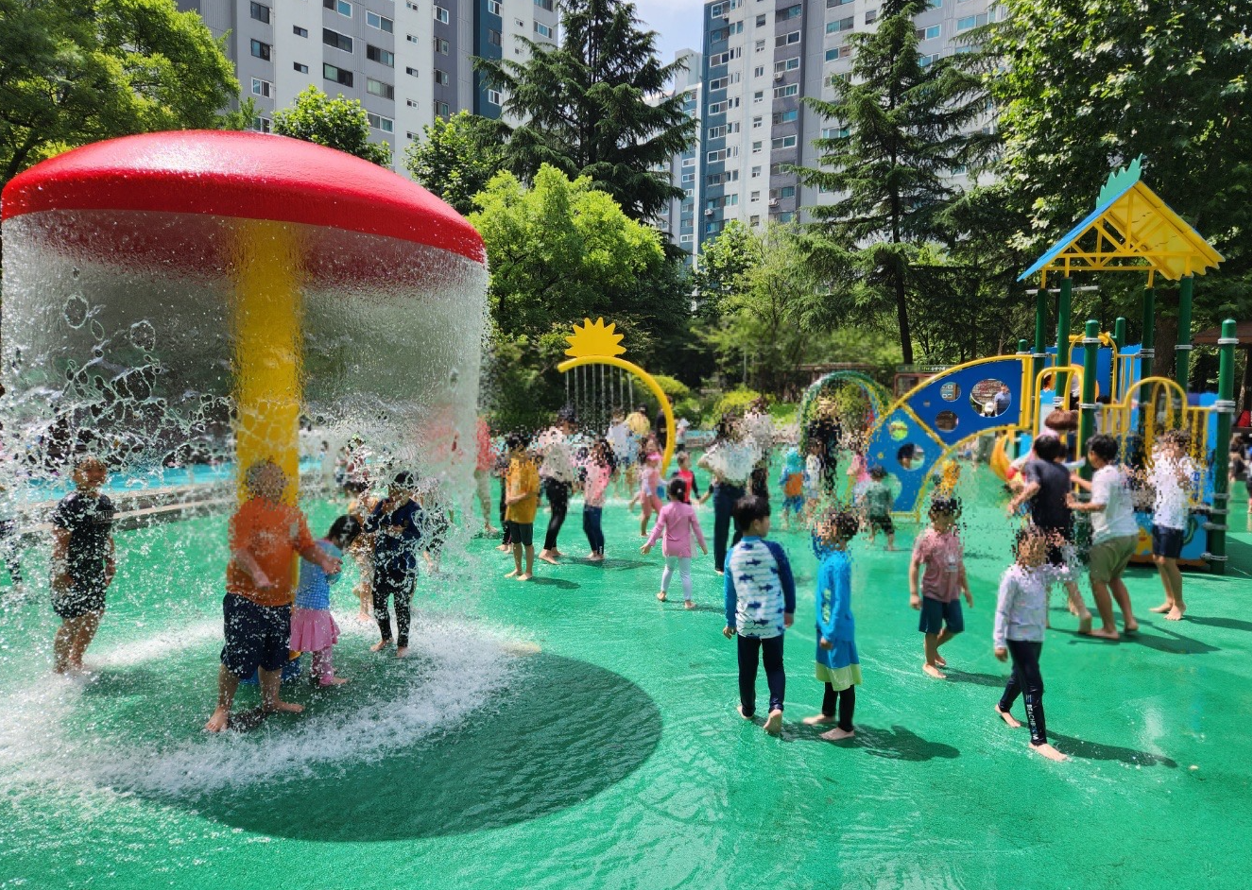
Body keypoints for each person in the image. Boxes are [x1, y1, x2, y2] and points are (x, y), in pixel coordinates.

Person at [205, 460, 341, 732]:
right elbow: (240, 551)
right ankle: (222, 709)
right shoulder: (246, 514)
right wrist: (256, 573)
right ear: (254, 484)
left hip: (280, 601)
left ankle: (272, 701)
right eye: (270, 478)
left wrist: (324, 559)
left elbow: (304, 546)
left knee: (274, 655)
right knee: (237, 655)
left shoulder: (292, 516)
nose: (278, 483)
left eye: (280, 477)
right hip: (245, 598)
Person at [722, 495, 795, 735]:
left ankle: (748, 709)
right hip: (773, 621)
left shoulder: (732, 554)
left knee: (747, 670)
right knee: (775, 666)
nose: (769, 523)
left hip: (747, 623)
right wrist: (789, 610)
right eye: (766, 519)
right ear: (756, 522)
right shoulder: (774, 549)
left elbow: (730, 594)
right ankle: (776, 707)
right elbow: (788, 582)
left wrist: (730, 621)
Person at [993, 525, 1067, 762]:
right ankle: (1038, 740)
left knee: (1019, 677)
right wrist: (999, 641)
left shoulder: (1043, 571)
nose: (1036, 550)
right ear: (1020, 547)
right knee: (1034, 687)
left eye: (1040, 546)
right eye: (1031, 545)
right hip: (1018, 638)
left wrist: (1065, 549)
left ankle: (1003, 706)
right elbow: (1002, 610)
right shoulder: (1012, 576)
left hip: (1036, 637)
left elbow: (1069, 573)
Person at [1007, 434, 1093, 633]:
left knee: (1040, 570)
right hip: (1063, 527)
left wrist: (1016, 501)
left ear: (1035, 451)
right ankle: (1073, 612)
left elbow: (1035, 486)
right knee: (1061, 569)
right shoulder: (1063, 470)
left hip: (1042, 527)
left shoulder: (1034, 466)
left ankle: (1049, 616)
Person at [1067, 434, 1140, 639]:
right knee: (1115, 578)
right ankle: (1129, 620)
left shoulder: (1101, 475)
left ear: (1093, 454)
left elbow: (1100, 503)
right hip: (1129, 534)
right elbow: (1102, 491)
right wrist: (1077, 479)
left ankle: (1109, 628)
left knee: (1097, 580)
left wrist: (1075, 506)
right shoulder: (1117, 472)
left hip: (1110, 536)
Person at [50, 456, 116, 674]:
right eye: (89, 470)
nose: (96, 475)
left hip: (93, 566)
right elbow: (60, 543)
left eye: (100, 469)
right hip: (70, 568)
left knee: (95, 611)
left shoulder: (104, 502)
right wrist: (61, 574)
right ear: (75, 475)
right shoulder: (70, 503)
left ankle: (76, 657)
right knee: (73, 618)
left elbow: (105, 534)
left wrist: (110, 561)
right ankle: (59, 668)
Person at [802, 508, 862, 741]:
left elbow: (840, 602)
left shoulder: (839, 563)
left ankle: (846, 727)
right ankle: (828, 713)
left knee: (843, 680)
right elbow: (817, 547)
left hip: (836, 632)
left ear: (836, 532)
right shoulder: (830, 554)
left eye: (825, 527)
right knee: (830, 674)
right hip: (826, 628)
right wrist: (814, 528)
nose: (820, 531)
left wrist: (830, 632)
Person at [290, 515, 360, 687]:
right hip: (317, 605)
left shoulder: (315, 544)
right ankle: (326, 678)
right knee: (325, 641)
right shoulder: (334, 551)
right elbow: (333, 578)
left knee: (318, 640)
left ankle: (316, 669)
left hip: (300, 602)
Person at [909, 495, 972, 679]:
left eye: (949, 515)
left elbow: (959, 564)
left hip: (951, 592)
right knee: (933, 628)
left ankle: (933, 646)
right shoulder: (926, 538)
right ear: (932, 515)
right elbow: (915, 564)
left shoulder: (954, 536)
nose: (947, 520)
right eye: (943, 515)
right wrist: (914, 593)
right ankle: (929, 663)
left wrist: (966, 588)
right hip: (932, 592)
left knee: (955, 626)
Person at [364, 471, 426, 657]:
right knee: (379, 605)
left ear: (411, 491)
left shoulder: (415, 511)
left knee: (402, 607)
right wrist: (381, 514)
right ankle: (386, 637)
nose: (395, 495)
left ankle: (403, 644)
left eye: (400, 491)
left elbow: (420, 540)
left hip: (404, 567)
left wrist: (400, 534)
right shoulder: (383, 504)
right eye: (392, 489)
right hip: (383, 566)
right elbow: (368, 527)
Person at [699, 414, 759, 574]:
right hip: (723, 490)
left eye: (740, 425)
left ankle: (731, 556)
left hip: (739, 490)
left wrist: (748, 485)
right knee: (722, 529)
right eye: (735, 425)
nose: (739, 428)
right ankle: (719, 565)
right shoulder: (722, 445)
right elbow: (702, 461)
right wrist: (716, 470)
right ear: (728, 428)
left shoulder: (747, 445)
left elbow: (749, 465)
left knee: (742, 527)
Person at [1147, 430, 1196, 621]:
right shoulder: (1161, 461)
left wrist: (1178, 471)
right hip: (1159, 515)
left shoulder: (1189, 464)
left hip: (1174, 519)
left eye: (1172, 444)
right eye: (1166, 443)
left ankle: (1179, 603)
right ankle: (1169, 600)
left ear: (1183, 446)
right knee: (1157, 558)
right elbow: (1152, 482)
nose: (1167, 447)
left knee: (1168, 560)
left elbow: (1187, 485)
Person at [642, 478, 708, 609]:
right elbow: (697, 529)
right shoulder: (688, 510)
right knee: (685, 574)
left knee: (669, 568)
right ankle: (688, 602)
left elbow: (658, 528)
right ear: (683, 493)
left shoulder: (665, 510)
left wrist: (650, 543)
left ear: (669, 493)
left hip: (669, 546)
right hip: (684, 547)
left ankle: (662, 593)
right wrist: (703, 545)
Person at [537, 411, 578, 565]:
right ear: (566, 423)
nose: (573, 429)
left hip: (548, 479)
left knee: (555, 512)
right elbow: (566, 465)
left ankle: (553, 548)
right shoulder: (560, 439)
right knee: (559, 515)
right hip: (558, 480)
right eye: (572, 425)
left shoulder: (549, 434)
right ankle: (546, 551)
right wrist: (572, 482)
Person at [503, 432, 540, 581]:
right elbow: (508, 482)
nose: (510, 452)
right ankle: (518, 569)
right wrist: (508, 497)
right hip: (512, 510)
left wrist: (515, 499)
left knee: (527, 543)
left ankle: (528, 571)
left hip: (525, 512)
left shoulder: (530, 467)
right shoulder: (514, 463)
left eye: (512, 449)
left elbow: (534, 491)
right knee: (515, 542)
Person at [345, 479, 378, 621]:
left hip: (373, 546)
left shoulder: (376, 503)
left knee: (375, 577)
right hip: (358, 547)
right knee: (366, 572)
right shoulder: (353, 508)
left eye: (365, 493)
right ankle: (363, 612)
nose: (362, 496)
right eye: (358, 493)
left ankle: (360, 590)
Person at [582, 438, 612, 561]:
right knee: (586, 527)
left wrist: (596, 494)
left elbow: (604, 482)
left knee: (595, 526)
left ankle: (600, 553)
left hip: (596, 501)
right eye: (594, 447)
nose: (595, 450)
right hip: (588, 499)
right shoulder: (590, 462)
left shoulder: (605, 466)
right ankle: (594, 551)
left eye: (599, 448)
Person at [473, 416, 498, 536]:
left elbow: (487, 445)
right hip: (467, 467)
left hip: (482, 467)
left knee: (486, 497)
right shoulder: (460, 424)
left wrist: (491, 459)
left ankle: (487, 524)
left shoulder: (482, 423)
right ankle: (469, 525)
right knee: (468, 498)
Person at [861, 466, 895, 550]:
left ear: (872, 476)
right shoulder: (886, 488)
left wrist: (863, 508)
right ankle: (890, 546)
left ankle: (872, 539)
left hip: (871, 512)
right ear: (883, 476)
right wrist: (889, 509)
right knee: (890, 531)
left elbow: (863, 498)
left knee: (872, 524)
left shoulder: (869, 487)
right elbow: (890, 501)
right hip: (882, 512)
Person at [778, 446, 806, 529]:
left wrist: (781, 484)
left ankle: (785, 524)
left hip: (788, 493)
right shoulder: (801, 469)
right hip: (798, 493)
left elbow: (781, 481)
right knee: (799, 509)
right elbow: (806, 479)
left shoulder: (787, 470)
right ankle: (801, 524)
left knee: (786, 509)